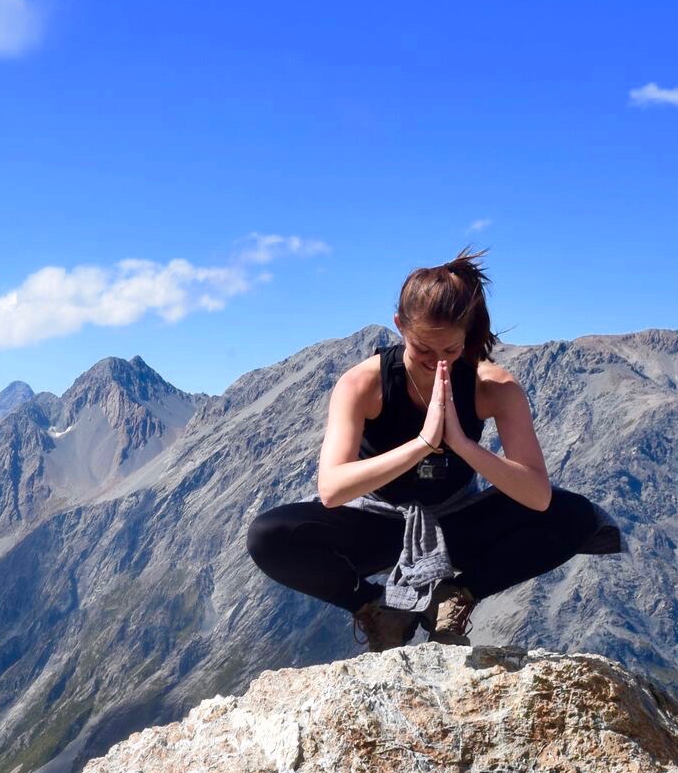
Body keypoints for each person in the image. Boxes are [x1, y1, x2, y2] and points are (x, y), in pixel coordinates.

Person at [245, 248, 621, 650]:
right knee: (268, 536)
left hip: (457, 520)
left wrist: (459, 442)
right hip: (378, 521)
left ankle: (455, 597)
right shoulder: (361, 384)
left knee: (577, 517)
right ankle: (376, 609)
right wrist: (423, 443)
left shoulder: (493, 386)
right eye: (423, 349)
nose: (436, 362)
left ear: (468, 336)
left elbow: (537, 494)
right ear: (399, 326)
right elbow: (332, 489)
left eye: (451, 351)